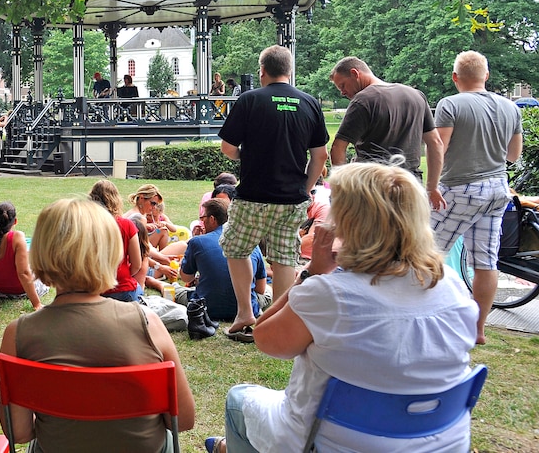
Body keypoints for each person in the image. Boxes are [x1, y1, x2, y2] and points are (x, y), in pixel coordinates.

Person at [209, 163, 478, 453]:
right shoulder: (452, 285)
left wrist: (313, 271)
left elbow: (266, 340)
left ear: (348, 223)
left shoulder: (330, 294)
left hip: (328, 444)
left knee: (239, 399)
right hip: (440, 442)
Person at [0, 198, 195, 451]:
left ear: (41, 253)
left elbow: (20, 432)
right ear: (112, 253)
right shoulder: (148, 325)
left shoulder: (18, 334)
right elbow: (184, 420)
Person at [217, 45, 328, 339]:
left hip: (252, 195)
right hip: (291, 198)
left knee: (236, 248)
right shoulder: (309, 103)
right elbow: (320, 156)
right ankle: (277, 322)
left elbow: (228, 149)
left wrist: (246, 156)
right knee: (284, 258)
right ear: (289, 71)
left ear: (261, 71)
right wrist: (304, 189)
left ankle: (244, 314)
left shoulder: (249, 100)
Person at [429, 51, 522, 345]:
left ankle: (426, 317)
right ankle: (478, 329)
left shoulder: (450, 104)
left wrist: (432, 186)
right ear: (487, 76)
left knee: (424, 253)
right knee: (485, 261)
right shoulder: (510, 107)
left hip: (461, 188)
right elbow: (514, 155)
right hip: (497, 190)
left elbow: (437, 149)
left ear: (455, 77)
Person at [329, 56, 443, 194]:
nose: (342, 92)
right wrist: (432, 187)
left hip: (373, 187)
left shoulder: (363, 101)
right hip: (411, 186)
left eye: (342, 85)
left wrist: (342, 187)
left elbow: (338, 148)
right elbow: (435, 143)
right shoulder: (416, 96)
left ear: (355, 73)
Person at [176, 199, 270, 324]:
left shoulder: (198, 242)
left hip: (207, 307)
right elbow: (261, 288)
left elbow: (186, 278)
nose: (202, 222)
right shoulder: (251, 243)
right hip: (246, 307)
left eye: (203, 218)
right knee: (268, 292)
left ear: (212, 219)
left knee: (175, 289)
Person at [88, 180, 145, 303]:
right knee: (139, 291)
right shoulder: (127, 225)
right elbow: (137, 264)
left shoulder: (86, 226)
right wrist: (124, 274)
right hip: (122, 288)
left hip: (92, 289)